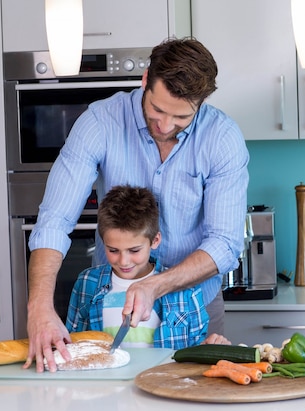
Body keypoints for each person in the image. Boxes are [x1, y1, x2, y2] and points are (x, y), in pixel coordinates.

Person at [25, 37, 248, 372]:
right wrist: (39, 306)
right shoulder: (100, 122)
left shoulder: (222, 138)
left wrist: (153, 285)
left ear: (201, 103)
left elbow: (225, 244)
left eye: (182, 117)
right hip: (110, 303)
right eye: (157, 109)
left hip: (196, 304)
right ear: (145, 80)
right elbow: (55, 220)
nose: (166, 126)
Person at [66, 185, 230, 348]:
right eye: (113, 250)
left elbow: (196, 351)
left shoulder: (186, 290)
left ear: (155, 240)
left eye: (134, 250)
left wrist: (212, 345)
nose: (124, 261)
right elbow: (71, 344)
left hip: (165, 374)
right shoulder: (87, 283)